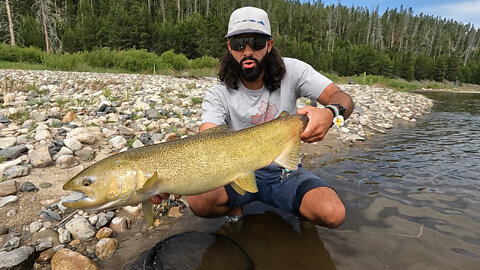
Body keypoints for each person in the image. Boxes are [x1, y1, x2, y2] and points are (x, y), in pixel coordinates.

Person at [152, 6, 353, 229]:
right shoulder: (218, 93)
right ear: (230, 48)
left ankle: (302, 211)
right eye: (239, 44)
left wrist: (331, 113)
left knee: (333, 214)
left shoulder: (295, 71)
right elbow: (205, 143)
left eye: (256, 43)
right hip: (234, 173)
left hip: (283, 172)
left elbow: (341, 97)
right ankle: (235, 206)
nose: (247, 51)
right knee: (199, 201)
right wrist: (170, 178)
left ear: (269, 44)